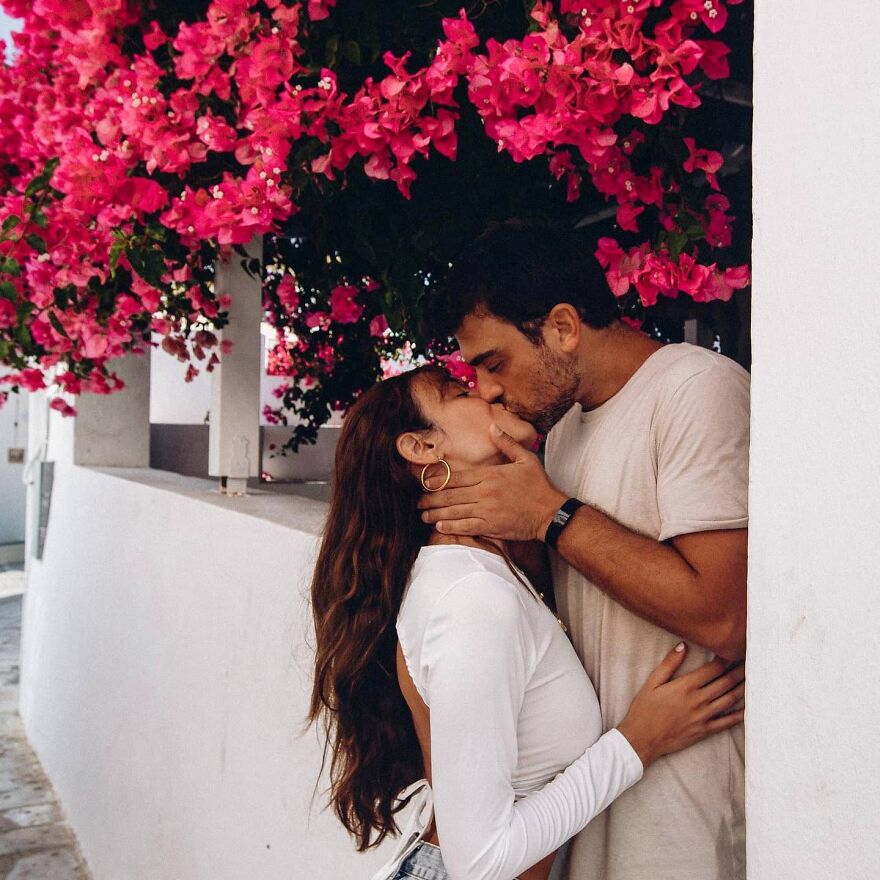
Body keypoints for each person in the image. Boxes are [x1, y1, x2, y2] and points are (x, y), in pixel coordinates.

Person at [309, 363, 745, 880]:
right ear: (422, 448)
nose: (487, 392)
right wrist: (637, 741)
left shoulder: (482, 572)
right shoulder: (471, 596)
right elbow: (482, 860)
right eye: (459, 393)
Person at [419, 219, 750, 880]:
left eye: (493, 362)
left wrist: (549, 513)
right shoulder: (563, 434)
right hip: (592, 803)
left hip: (683, 812)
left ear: (563, 328)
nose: (485, 388)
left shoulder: (695, 389)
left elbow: (724, 616)